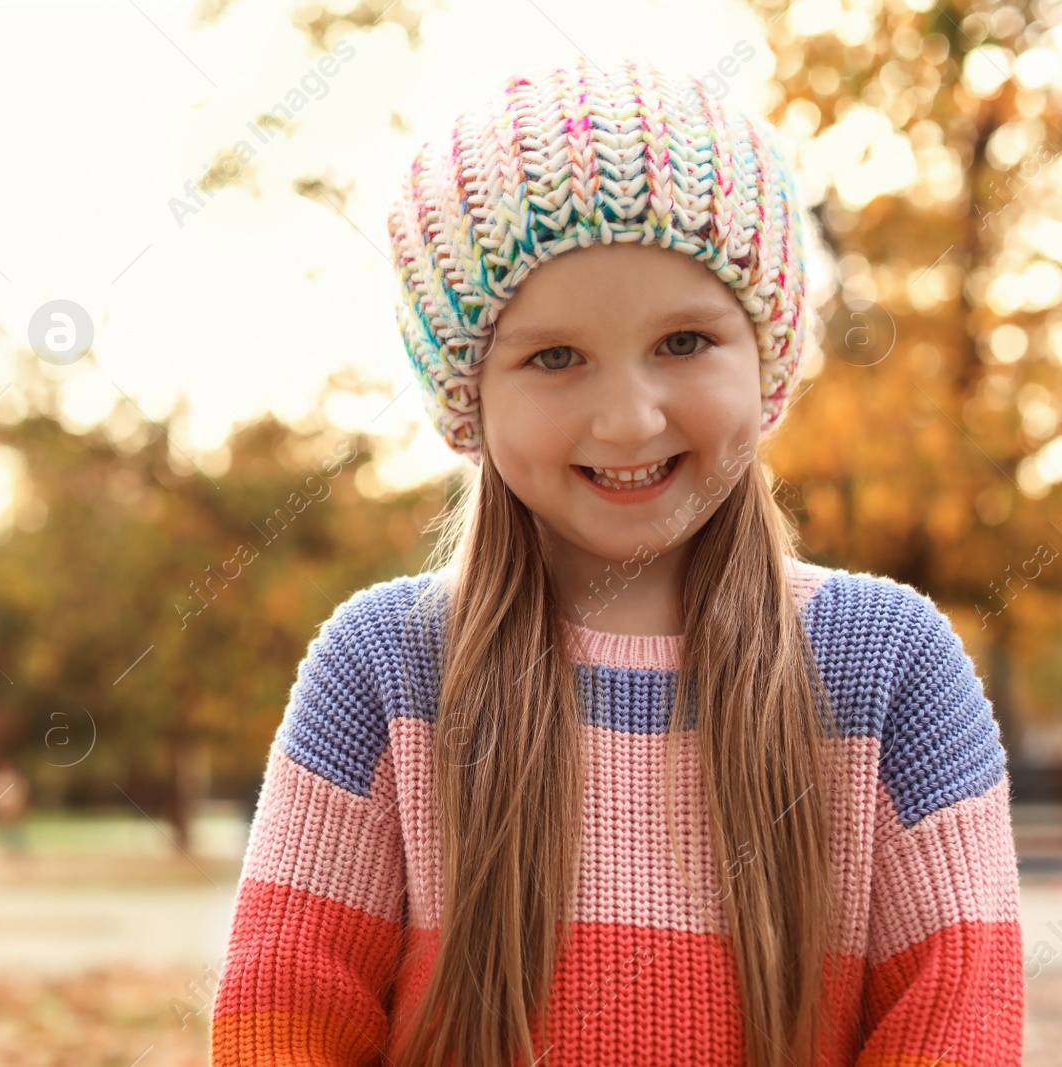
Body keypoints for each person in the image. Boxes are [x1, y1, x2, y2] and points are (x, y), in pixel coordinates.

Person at [208, 60, 1024, 1067]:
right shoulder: (383, 673)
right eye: (553, 357)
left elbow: (955, 1023)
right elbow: (282, 1023)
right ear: (469, 393)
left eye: (683, 340)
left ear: (765, 360)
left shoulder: (892, 672)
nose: (629, 416)